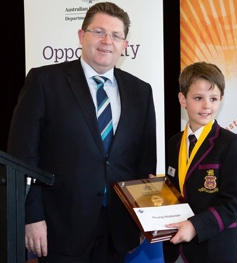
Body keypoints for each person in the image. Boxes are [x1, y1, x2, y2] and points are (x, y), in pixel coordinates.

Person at [7, 2, 158, 262]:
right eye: (98, 31)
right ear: (81, 35)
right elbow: (22, 158)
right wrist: (31, 217)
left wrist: (141, 220)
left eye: (115, 35)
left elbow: (144, 162)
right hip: (59, 228)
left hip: (117, 229)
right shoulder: (44, 82)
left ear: (124, 45)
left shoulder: (140, 92)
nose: (106, 41)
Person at [163, 62, 237, 263]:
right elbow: (174, 189)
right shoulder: (174, 143)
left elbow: (233, 203)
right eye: (198, 98)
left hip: (214, 249)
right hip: (176, 248)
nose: (206, 105)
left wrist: (195, 226)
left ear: (221, 100)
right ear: (182, 99)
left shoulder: (231, 144)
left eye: (213, 98)